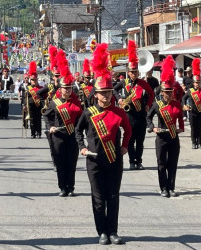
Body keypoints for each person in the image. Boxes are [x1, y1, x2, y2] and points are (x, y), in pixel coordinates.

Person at [76, 43, 131, 245]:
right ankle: (102, 232)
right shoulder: (88, 113)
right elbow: (77, 130)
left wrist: (125, 145)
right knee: (98, 198)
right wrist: (82, 147)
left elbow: (129, 129)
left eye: (109, 92)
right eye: (103, 92)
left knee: (113, 196)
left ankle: (113, 231)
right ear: (96, 94)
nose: (106, 95)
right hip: (94, 161)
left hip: (114, 159)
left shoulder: (119, 112)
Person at [147, 55, 184, 198]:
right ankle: (163, 188)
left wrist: (181, 128)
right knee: (162, 164)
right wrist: (153, 128)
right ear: (162, 92)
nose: (169, 94)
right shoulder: (157, 105)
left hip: (174, 137)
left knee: (172, 164)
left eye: (170, 92)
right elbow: (148, 116)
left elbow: (180, 118)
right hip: (161, 137)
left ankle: (171, 187)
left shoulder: (176, 104)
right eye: (166, 92)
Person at [113, 40, 154, 170]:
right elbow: (114, 90)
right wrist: (119, 99)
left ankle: (139, 161)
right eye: (131, 71)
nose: (134, 74)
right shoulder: (124, 82)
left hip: (141, 114)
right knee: (130, 140)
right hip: (128, 115)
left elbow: (152, 94)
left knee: (140, 141)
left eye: (136, 72)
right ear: (128, 71)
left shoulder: (143, 83)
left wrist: (148, 104)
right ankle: (131, 161)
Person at [43, 62, 82, 197]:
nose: (68, 90)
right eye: (65, 88)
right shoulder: (54, 103)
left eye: (69, 88)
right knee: (60, 163)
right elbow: (46, 116)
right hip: (58, 137)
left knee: (71, 163)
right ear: (60, 89)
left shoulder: (77, 102)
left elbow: (81, 119)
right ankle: (62, 188)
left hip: (72, 136)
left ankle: (70, 187)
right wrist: (50, 127)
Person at [182, 58, 201, 149]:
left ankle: (199, 143)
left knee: (200, 129)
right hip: (192, 112)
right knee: (193, 129)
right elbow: (183, 98)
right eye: (196, 83)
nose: (197, 84)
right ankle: (194, 143)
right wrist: (184, 106)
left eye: (198, 82)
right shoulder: (190, 91)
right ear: (193, 83)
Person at [26, 61, 43, 138]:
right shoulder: (28, 88)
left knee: (38, 120)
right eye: (33, 80)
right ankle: (33, 133)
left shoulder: (41, 88)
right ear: (30, 80)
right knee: (32, 120)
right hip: (30, 106)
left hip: (38, 106)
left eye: (35, 80)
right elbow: (24, 97)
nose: (34, 81)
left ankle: (39, 133)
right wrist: (24, 105)